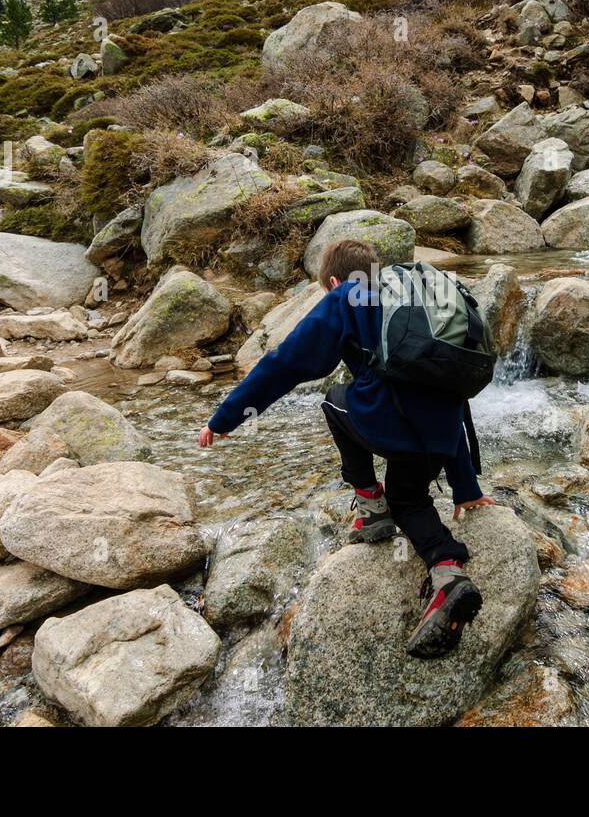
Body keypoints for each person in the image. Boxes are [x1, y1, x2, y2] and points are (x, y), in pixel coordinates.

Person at [199, 239, 494, 659]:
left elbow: (286, 363)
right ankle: (447, 571)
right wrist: (465, 487)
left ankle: (371, 508)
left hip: (392, 420)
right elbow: (448, 391)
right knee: (409, 499)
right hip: (440, 435)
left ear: (335, 281)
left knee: (333, 399)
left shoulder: (347, 295)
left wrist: (226, 417)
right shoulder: (415, 291)